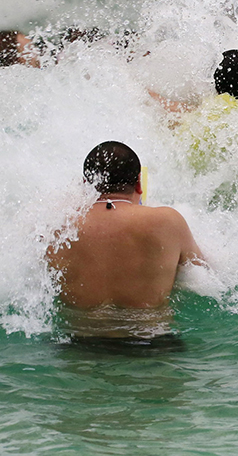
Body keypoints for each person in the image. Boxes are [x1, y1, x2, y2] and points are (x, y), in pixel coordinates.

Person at [46, 141, 204, 342]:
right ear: (139, 183)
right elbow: (202, 273)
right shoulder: (167, 222)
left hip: (78, 344)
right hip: (150, 342)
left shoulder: (56, 226)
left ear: (86, 184)